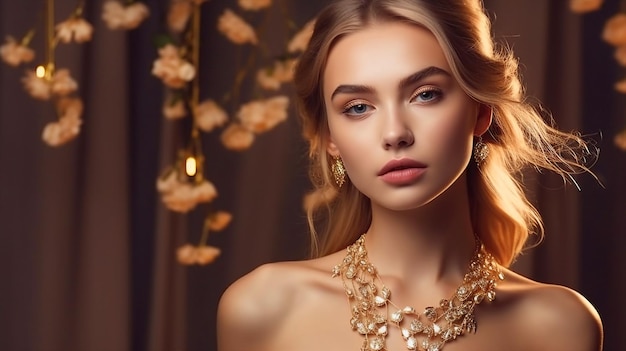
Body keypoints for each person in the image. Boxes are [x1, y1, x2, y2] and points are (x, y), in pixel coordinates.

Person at [216, 0, 604, 350]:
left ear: (480, 111)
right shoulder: (262, 308)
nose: (395, 133)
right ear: (330, 137)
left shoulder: (558, 326)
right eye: (357, 107)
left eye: (425, 94)